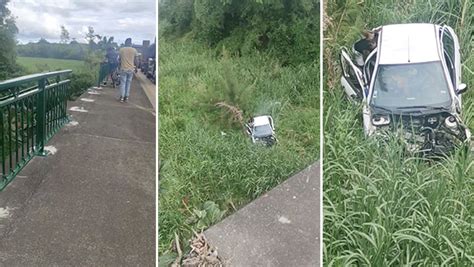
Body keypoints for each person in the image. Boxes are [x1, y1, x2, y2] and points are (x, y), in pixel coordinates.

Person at [118, 38, 138, 102]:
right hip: (131, 69)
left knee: (123, 83)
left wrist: (119, 66)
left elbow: (119, 59)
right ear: (131, 43)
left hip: (123, 68)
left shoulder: (122, 50)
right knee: (128, 83)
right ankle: (126, 97)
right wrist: (136, 68)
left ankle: (122, 96)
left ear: (125, 43)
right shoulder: (134, 50)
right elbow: (136, 60)